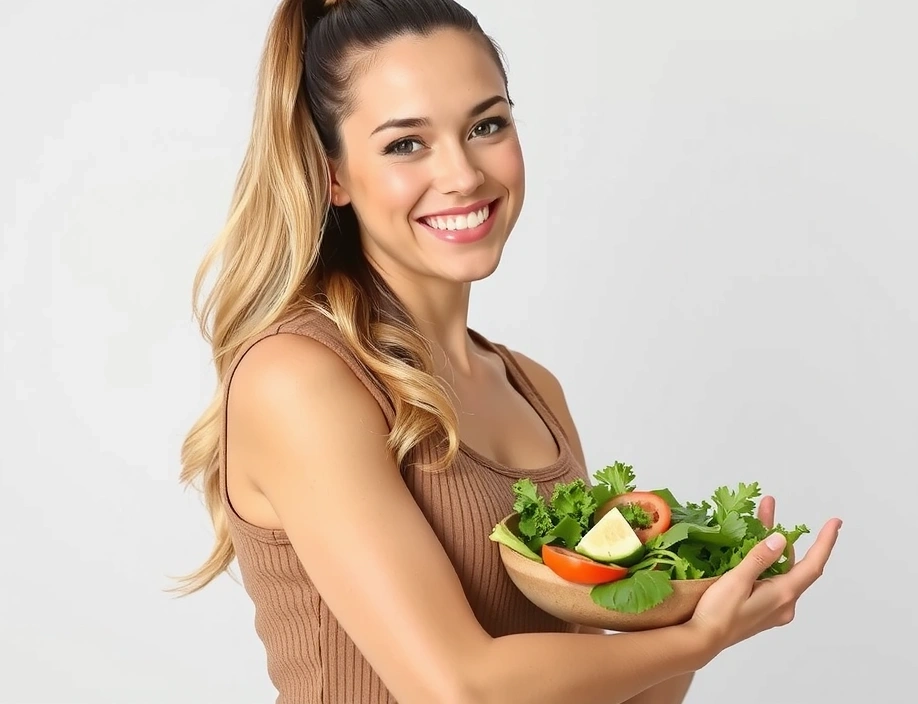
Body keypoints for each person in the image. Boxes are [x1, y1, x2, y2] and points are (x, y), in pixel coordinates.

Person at [174, 0, 843, 702]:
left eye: (486, 125)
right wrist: (700, 637)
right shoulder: (299, 379)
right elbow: (460, 690)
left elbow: (610, 694)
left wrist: (707, 603)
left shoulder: (534, 391)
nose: (463, 174)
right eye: (406, 143)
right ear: (332, 175)